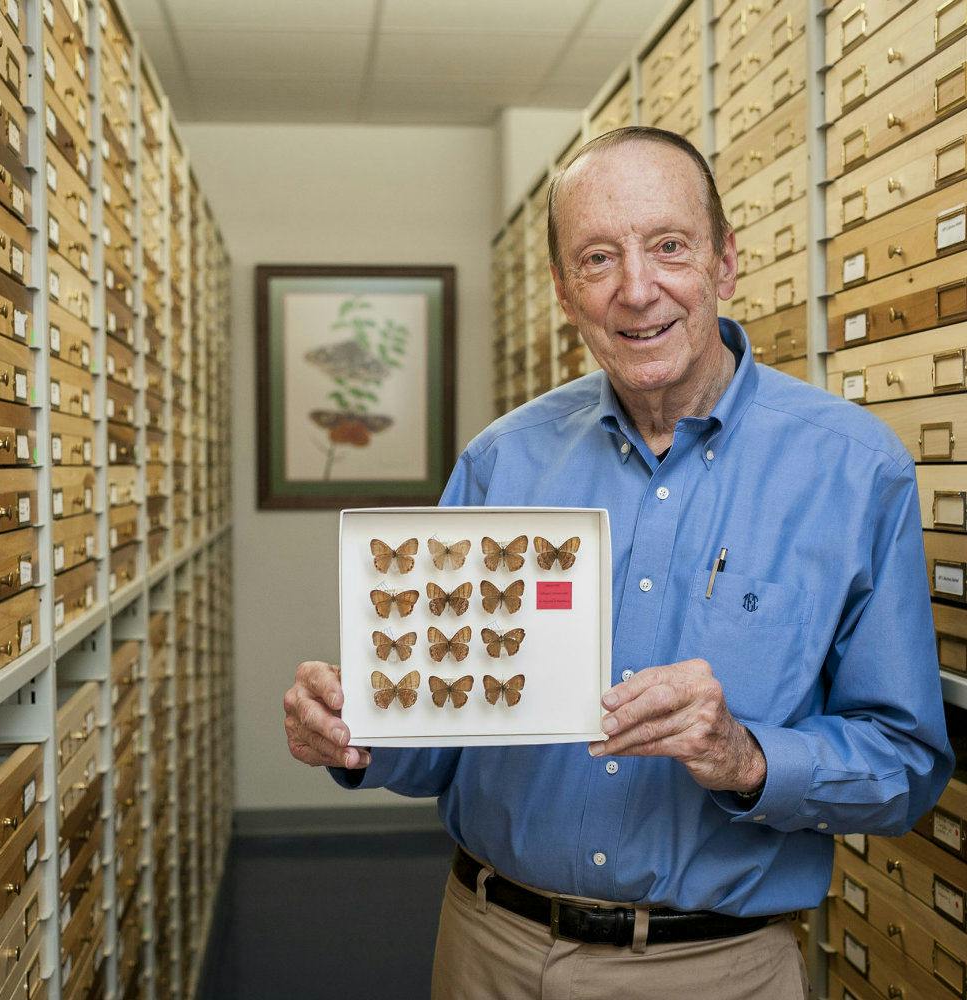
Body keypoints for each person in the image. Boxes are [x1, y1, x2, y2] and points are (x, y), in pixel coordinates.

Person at [283, 127, 954, 999]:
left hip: (720, 969)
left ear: (725, 261)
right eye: (598, 259)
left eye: (669, 246)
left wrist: (748, 759)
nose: (638, 291)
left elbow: (903, 763)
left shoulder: (855, 472)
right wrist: (356, 729)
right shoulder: (502, 463)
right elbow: (436, 748)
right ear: (565, 291)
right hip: (493, 950)